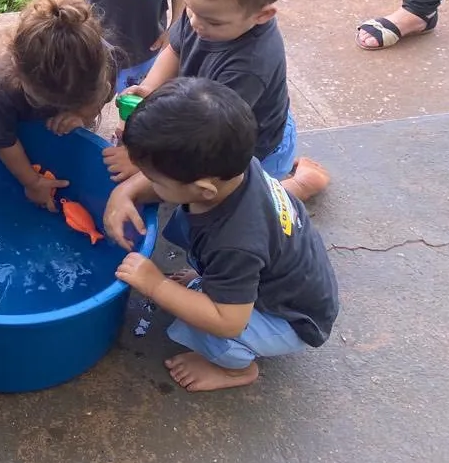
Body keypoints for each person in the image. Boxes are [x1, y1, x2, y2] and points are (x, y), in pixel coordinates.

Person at [104, 78, 340, 393]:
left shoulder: (235, 243)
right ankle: (216, 284)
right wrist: (125, 192)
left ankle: (236, 370)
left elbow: (228, 321)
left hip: (288, 317)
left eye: (152, 180)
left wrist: (156, 284)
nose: (145, 184)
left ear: (203, 189)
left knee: (209, 329)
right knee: (210, 267)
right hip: (283, 272)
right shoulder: (231, 166)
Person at [104, 0, 330, 201]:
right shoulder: (207, 8)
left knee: (225, 199)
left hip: (250, 149)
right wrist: (149, 89)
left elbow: (204, 140)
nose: (196, 23)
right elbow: (175, 47)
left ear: (262, 15)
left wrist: (140, 167)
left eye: (212, 22)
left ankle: (298, 187)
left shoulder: (248, 68)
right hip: (212, 111)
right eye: (192, 10)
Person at [0, 0, 115, 209]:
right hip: (17, 127)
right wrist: (32, 180)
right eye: (41, 101)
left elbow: (102, 93)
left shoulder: (101, 63)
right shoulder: (3, 86)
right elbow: (2, 139)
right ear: (18, 73)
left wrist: (83, 115)